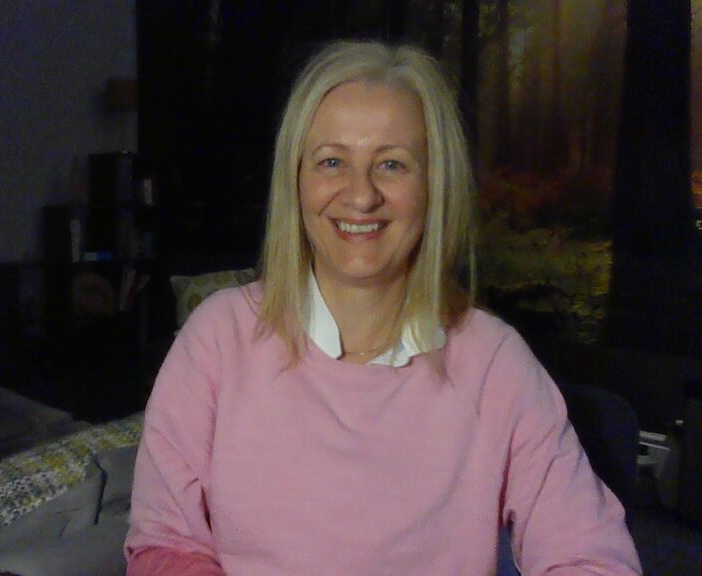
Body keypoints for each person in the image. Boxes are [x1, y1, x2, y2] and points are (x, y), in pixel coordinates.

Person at [124, 40, 642, 575]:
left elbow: (590, 558)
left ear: (435, 186)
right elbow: (166, 544)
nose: (360, 195)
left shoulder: (496, 364)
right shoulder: (217, 337)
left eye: (391, 164)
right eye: (332, 161)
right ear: (296, 181)